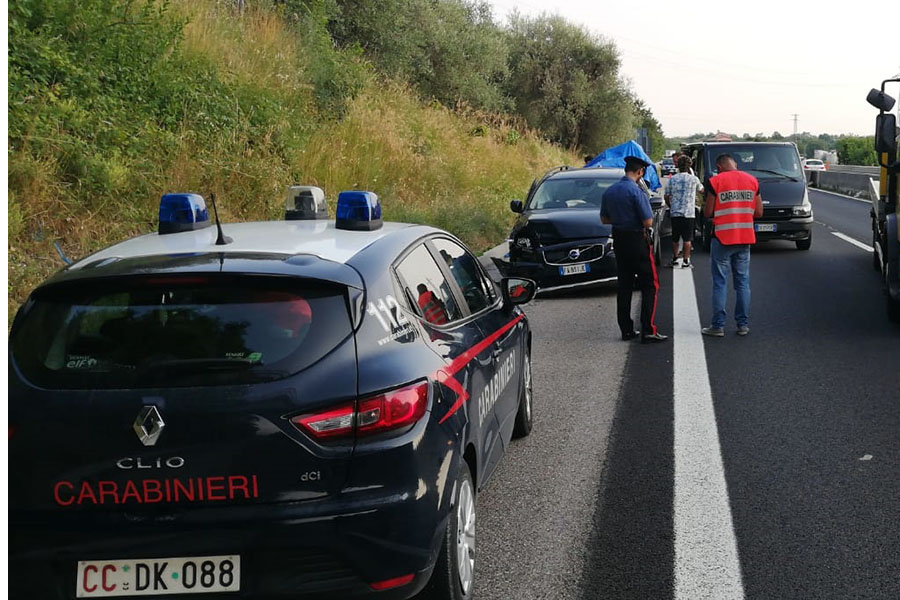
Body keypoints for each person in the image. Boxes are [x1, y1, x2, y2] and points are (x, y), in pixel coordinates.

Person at [600, 156, 668, 344]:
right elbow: (647, 221)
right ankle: (648, 329)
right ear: (640, 172)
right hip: (637, 240)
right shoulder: (637, 192)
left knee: (624, 287)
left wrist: (621, 219)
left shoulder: (610, 191)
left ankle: (627, 330)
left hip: (619, 240)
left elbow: (604, 220)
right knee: (650, 284)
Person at [701, 153, 764, 337]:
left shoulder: (716, 181)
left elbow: (707, 212)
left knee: (720, 283)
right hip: (744, 238)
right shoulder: (752, 181)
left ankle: (717, 326)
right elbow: (759, 212)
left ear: (719, 167)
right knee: (742, 283)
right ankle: (742, 325)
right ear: (735, 165)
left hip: (722, 238)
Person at [664, 155, 704, 268]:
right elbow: (702, 190)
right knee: (687, 238)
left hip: (675, 212)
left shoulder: (673, 179)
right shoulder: (694, 179)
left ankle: (675, 258)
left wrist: (670, 205)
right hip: (688, 212)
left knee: (675, 238)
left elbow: (666, 195)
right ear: (689, 166)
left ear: (678, 166)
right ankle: (686, 261)